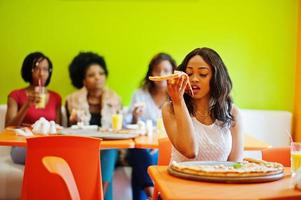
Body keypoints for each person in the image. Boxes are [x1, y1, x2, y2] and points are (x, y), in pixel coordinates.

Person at [162, 47, 243, 163]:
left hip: (219, 179)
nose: (194, 79)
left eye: (203, 74)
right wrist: (178, 101)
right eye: (189, 74)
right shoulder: (170, 109)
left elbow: (236, 164)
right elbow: (190, 151)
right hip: (182, 180)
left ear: (216, 78)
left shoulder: (232, 112)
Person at [65, 52, 121, 200]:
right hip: (83, 148)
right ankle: (101, 196)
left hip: (109, 149)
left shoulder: (115, 98)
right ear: (83, 80)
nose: (98, 77)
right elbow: (66, 130)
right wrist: (73, 121)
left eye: (101, 73)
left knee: (109, 151)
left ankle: (99, 194)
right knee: (101, 158)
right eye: (91, 75)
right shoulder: (72, 100)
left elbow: (120, 129)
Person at [125, 53, 177, 200]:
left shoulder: (178, 97)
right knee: (139, 151)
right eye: (157, 70)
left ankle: (150, 193)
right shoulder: (140, 94)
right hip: (143, 146)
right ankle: (152, 192)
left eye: (166, 70)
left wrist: (159, 144)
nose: (161, 74)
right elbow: (128, 125)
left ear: (173, 72)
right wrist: (135, 116)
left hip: (167, 145)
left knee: (140, 167)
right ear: (151, 72)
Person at [5, 52, 62, 164]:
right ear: (28, 70)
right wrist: (27, 105)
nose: (41, 73)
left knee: (54, 154)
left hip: (48, 145)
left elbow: (58, 128)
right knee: (47, 156)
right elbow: (8, 127)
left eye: (45, 69)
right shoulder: (15, 95)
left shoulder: (56, 97)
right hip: (22, 146)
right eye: (36, 69)